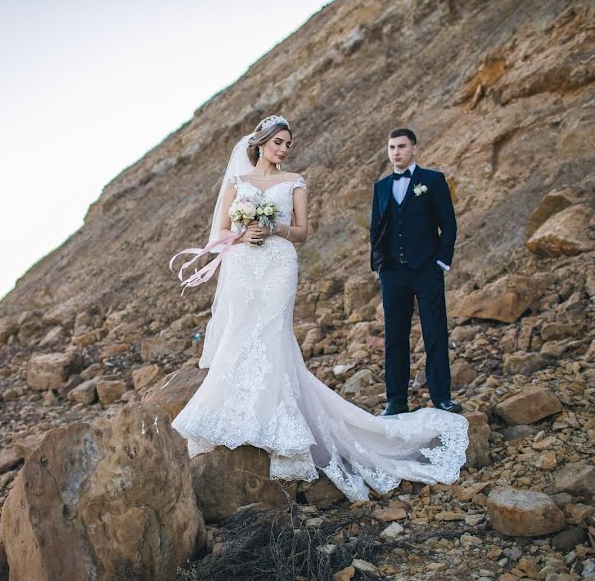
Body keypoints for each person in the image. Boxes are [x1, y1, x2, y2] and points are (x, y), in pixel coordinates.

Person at [170, 116, 468, 501]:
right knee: (241, 332)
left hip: (279, 264)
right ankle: (233, 417)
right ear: (260, 143)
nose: (283, 149)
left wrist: (275, 229)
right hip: (244, 266)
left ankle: (284, 431)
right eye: (278, 142)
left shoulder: (295, 181)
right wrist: (245, 232)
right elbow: (221, 233)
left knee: (272, 333)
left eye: (287, 144)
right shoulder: (236, 183)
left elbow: (302, 232)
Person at [370, 128, 461, 417]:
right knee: (395, 336)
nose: (395, 152)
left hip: (427, 270)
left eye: (401, 146)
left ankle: (442, 397)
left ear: (414, 149)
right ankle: (396, 400)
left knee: (435, 333)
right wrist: (380, 265)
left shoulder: (433, 181)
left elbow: (448, 224)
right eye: (391, 147)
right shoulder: (381, 187)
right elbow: (376, 229)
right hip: (393, 273)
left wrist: (441, 263)